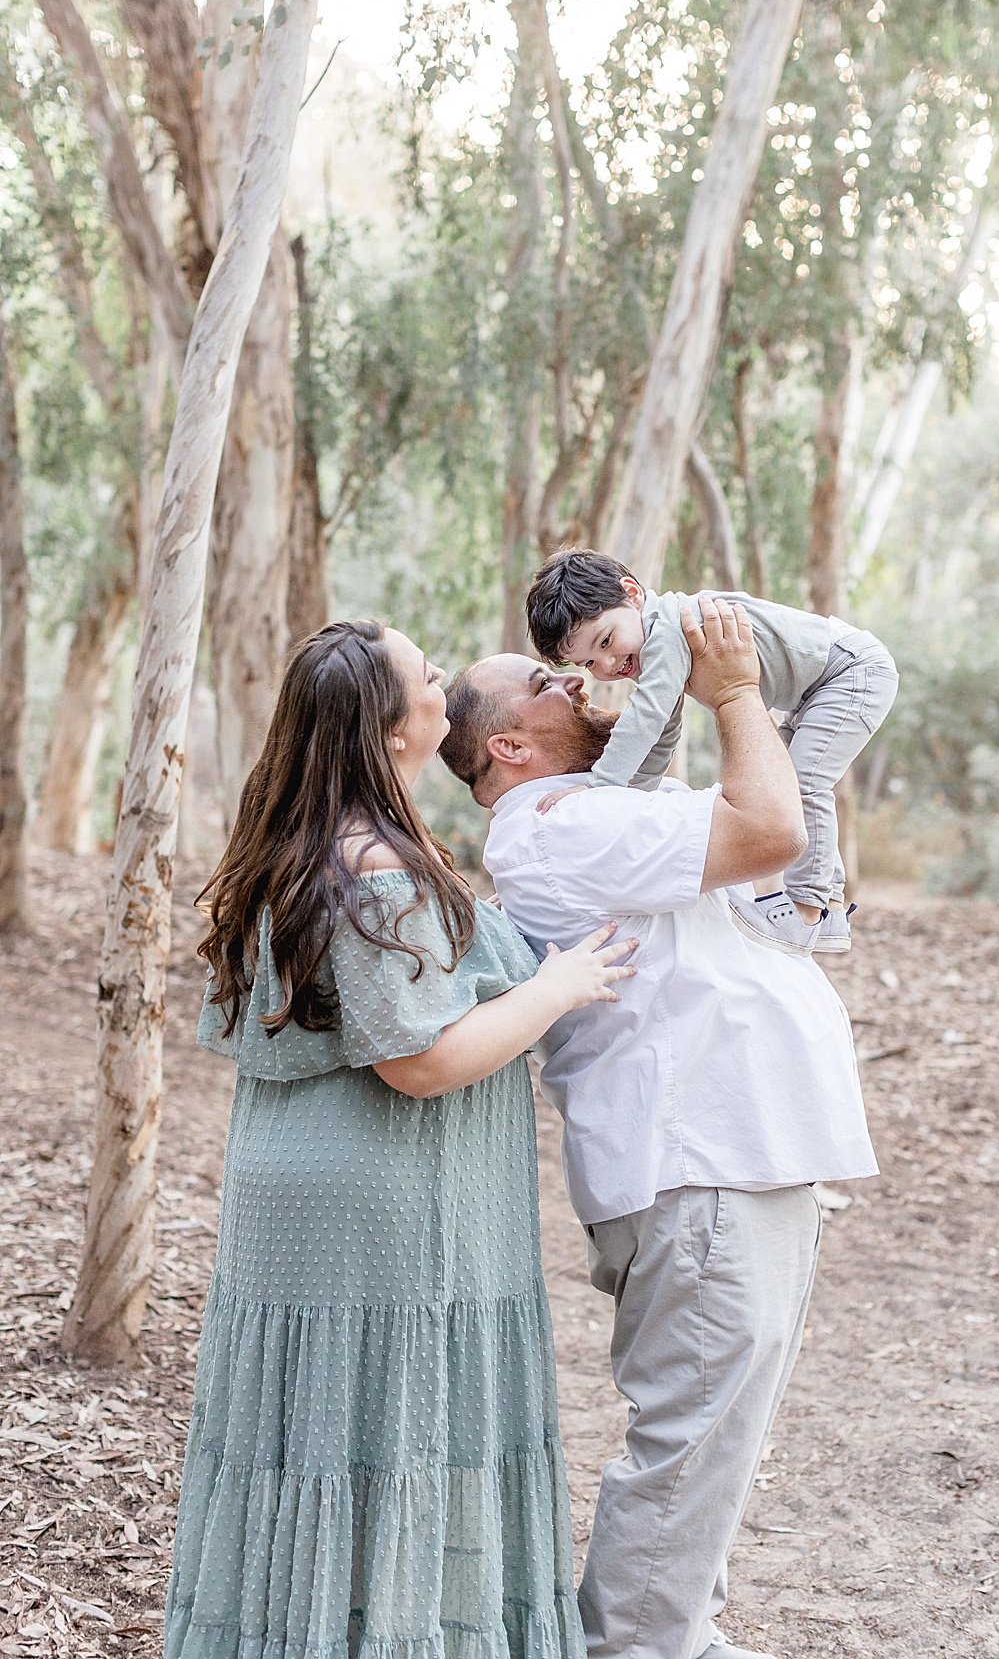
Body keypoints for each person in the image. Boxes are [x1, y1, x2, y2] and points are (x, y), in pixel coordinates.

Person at [164, 618, 637, 1659]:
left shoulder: (296, 842)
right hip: (384, 1208)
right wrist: (558, 986)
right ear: (393, 728)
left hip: (304, 1193)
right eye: (429, 676)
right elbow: (415, 1060)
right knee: (395, 1428)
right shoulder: (374, 862)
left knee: (320, 1441)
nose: (446, 685)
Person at [440, 597, 878, 1659]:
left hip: (741, 1154)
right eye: (544, 683)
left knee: (722, 1438)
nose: (575, 683)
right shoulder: (559, 826)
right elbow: (771, 826)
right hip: (701, 1166)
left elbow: (778, 868)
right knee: (691, 1440)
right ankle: (634, 1646)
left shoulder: (603, 810)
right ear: (508, 744)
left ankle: (679, 1632)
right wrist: (731, 691)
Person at [525, 549, 899, 954]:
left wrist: (600, 787)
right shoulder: (658, 644)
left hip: (850, 672)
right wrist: (627, 799)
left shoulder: (667, 629)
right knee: (793, 781)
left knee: (802, 784)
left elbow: (645, 719)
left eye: (606, 641)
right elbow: (664, 735)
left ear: (632, 594)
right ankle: (829, 908)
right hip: (820, 687)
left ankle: (807, 910)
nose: (608, 664)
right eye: (589, 662)